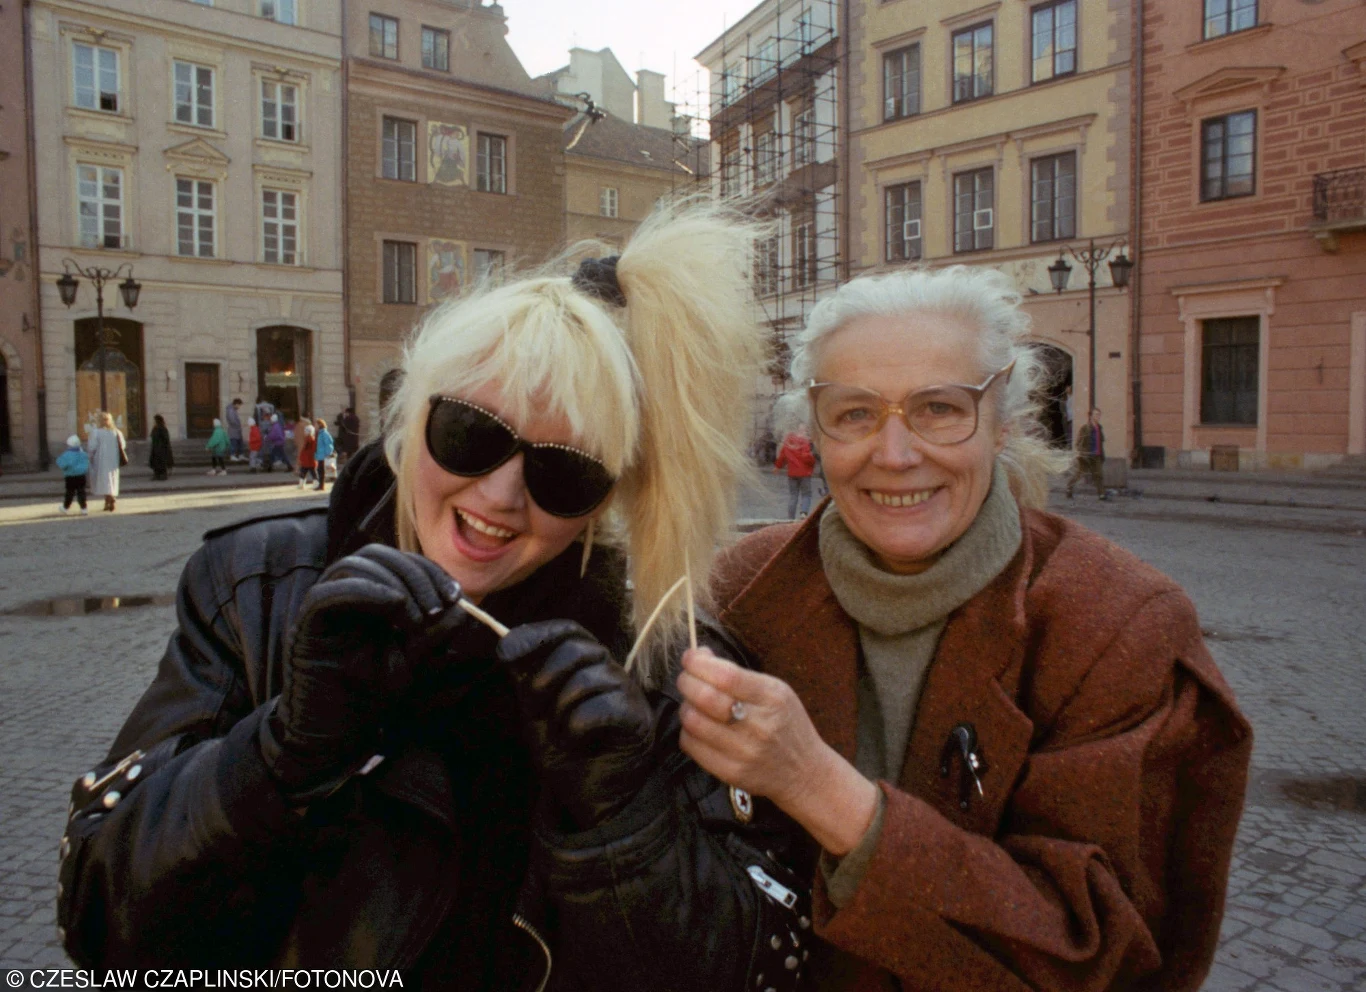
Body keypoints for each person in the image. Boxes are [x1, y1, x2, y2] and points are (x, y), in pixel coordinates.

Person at [58, 202, 813, 988]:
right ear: (414, 414)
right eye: (470, 433)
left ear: (608, 495)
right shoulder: (257, 586)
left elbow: (760, 967)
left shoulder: (664, 658)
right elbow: (101, 918)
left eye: (563, 471)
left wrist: (625, 826)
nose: (498, 495)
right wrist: (279, 760)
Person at [680, 266, 1252, 992]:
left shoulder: (1116, 623)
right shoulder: (740, 590)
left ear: (1002, 423)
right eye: (854, 413)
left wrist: (819, 787)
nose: (894, 454)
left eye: (940, 409)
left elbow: (1105, 955)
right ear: (814, 433)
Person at [86, 411, 125, 513]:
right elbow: (123, 445)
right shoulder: (116, 432)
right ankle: (110, 499)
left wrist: (90, 456)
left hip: (101, 459)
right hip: (113, 460)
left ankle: (108, 500)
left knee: (104, 480)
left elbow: (92, 447)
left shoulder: (96, 432)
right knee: (112, 479)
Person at [775, 425, 816, 519]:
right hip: (805, 473)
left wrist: (777, 467)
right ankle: (803, 512)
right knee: (806, 494)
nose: (805, 432)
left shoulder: (787, 443)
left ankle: (790, 517)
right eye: (804, 430)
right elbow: (807, 458)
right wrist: (812, 461)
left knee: (793, 495)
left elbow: (782, 457)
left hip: (792, 474)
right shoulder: (804, 442)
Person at [1066, 407, 1106, 499]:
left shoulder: (1099, 428)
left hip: (1097, 455)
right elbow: (1078, 442)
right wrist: (1081, 453)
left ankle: (1101, 494)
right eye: (1096, 414)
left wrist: (1102, 454)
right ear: (1091, 416)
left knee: (1099, 475)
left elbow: (1101, 442)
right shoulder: (1085, 428)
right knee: (1079, 474)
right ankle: (1069, 487)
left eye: (1099, 414)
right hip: (1086, 456)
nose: (1098, 416)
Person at [57, 435, 90, 515]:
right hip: (81, 476)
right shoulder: (83, 454)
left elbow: (61, 464)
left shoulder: (66, 455)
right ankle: (84, 508)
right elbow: (87, 464)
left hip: (70, 476)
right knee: (81, 492)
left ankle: (65, 507)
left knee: (69, 492)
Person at [149, 415, 174, 481]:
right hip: (155, 449)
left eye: (154, 420)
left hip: (162, 449)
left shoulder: (163, 428)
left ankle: (163, 475)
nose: (153, 422)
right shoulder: (155, 428)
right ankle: (156, 475)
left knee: (162, 463)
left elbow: (166, 439)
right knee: (155, 463)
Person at [313, 417, 335, 492]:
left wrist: (328, 454)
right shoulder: (319, 433)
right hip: (320, 455)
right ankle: (321, 485)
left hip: (323, 456)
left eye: (316, 424)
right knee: (320, 471)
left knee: (321, 471)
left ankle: (321, 485)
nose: (314, 426)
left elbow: (328, 444)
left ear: (319, 425)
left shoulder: (324, 433)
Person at [296, 423, 318, 489]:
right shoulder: (309, 439)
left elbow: (311, 450)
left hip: (309, 459)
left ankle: (303, 484)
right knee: (307, 472)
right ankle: (302, 484)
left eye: (306, 431)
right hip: (308, 459)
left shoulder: (310, 439)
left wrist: (302, 457)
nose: (304, 432)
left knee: (310, 472)